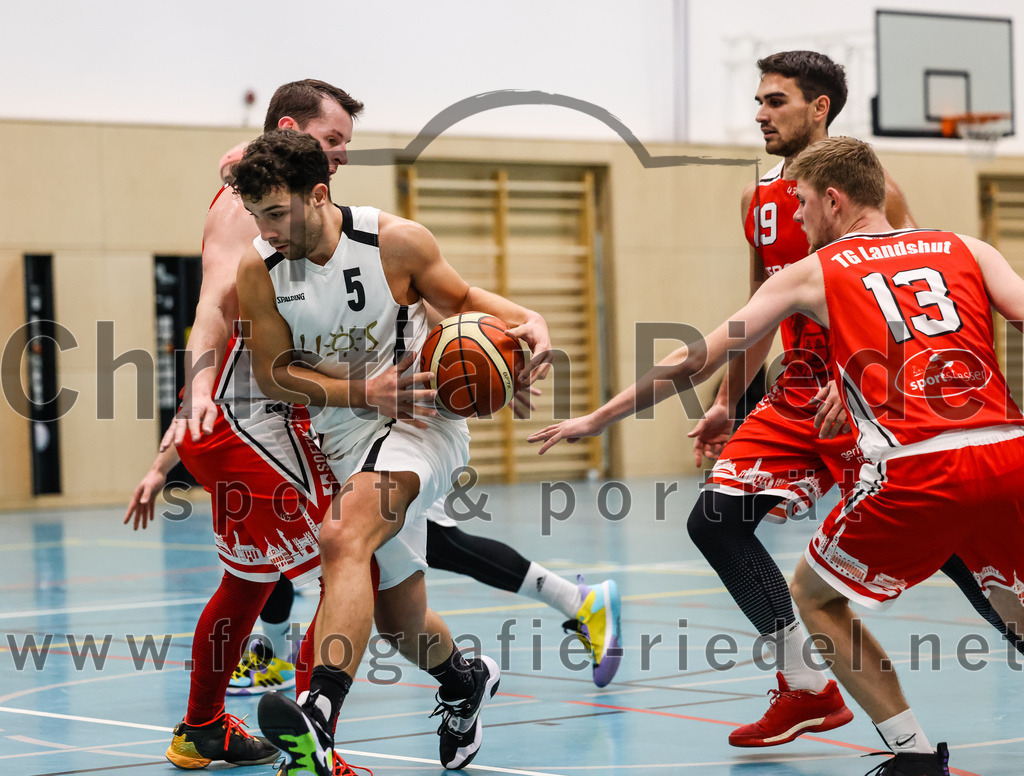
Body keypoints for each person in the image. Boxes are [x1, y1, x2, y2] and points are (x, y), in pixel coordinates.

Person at [531, 135, 1024, 775]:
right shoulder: (968, 247)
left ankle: (913, 757)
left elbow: (699, 355)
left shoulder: (814, 271)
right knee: (1012, 603)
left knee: (816, 598)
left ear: (833, 199)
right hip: (1007, 452)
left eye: (800, 204)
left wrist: (601, 415)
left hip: (918, 465)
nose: (794, 217)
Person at [683, 50, 1018, 748]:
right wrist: (726, 399)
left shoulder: (876, 189)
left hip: (870, 397)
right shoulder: (760, 202)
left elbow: (901, 289)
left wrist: (856, 373)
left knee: (962, 551)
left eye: (775, 101)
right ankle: (806, 688)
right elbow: (759, 309)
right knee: (715, 521)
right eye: (759, 100)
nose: (759, 113)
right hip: (798, 393)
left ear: (819, 109)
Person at [232, 129, 556, 774]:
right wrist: (360, 391)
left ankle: (318, 716)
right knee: (400, 621)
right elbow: (272, 373)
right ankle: (463, 681)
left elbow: (462, 302)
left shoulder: (394, 242)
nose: (265, 230)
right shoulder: (259, 269)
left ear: (317, 195)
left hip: (420, 423)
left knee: (342, 539)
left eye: (274, 214)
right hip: (345, 433)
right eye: (255, 217)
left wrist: (530, 320)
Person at [124, 79, 370, 775]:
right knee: (345, 556)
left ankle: (201, 729)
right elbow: (211, 303)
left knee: (248, 584)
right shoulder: (245, 205)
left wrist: (168, 455)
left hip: (239, 421)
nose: (342, 156)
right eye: (332, 141)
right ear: (290, 128)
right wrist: (189, 410)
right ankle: (311, 747)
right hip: (248, 418)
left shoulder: (292, 199)